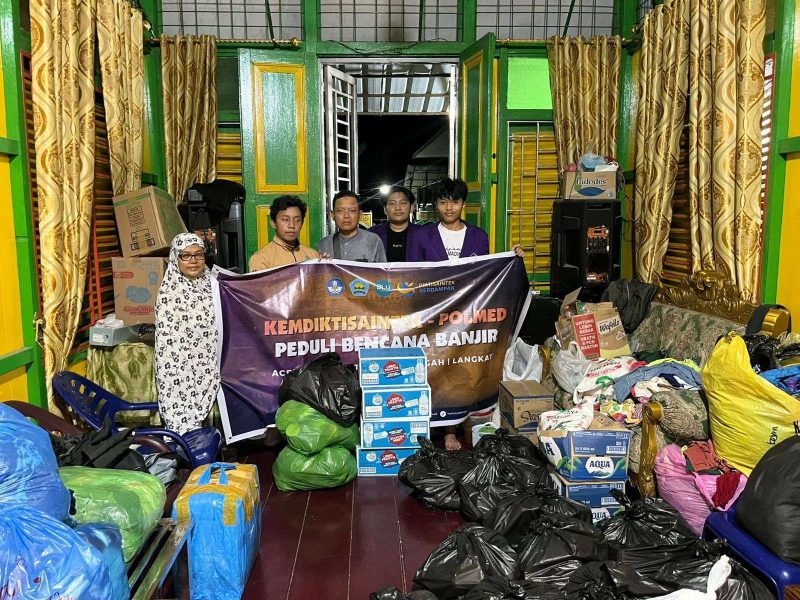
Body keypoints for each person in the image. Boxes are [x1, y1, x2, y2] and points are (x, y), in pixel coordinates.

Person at [408, 178, 525, 450]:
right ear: (435, 205)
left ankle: (459, 428)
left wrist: (511, 257)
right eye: (443, 202)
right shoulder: (422, 235)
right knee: (436, 369)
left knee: (463, 367)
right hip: (434, 316)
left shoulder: (478, 236)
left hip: (469, 317)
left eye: (455, 201)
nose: (449, 207)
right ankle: (438, 428)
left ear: (463, 204)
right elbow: (412, 273)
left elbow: (487, 271)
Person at [155, 233, 220, 435]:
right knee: (188, 425)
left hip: (214, 362)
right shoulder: (169, 295)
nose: (193, 260)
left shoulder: (213, 284)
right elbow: (170, 348)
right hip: (183, 370)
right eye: (186, 255)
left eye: (199, 254)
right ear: (175, 258)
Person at [249, 195, 318, 271]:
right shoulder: (261, 259)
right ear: (273, 223)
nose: (292, 225)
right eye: (285, 219)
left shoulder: (313, 255)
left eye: (297, 220)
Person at [318, 190, 386, 262]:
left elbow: (382, 269)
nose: (346, 216)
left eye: (352, 210)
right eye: (340, 211)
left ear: (360, 215)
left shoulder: (373, 240)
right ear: (333, 215)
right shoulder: (324, 244)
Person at [368, 185, 421, 262]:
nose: (398, 208)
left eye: (403, 203)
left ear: (411, 208)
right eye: (392, 203)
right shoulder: (372, 235)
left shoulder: (424, 234)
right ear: (385, 209)